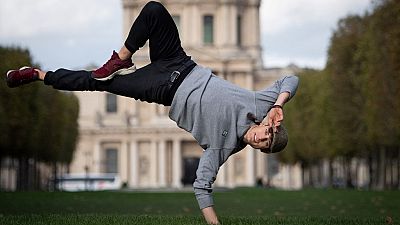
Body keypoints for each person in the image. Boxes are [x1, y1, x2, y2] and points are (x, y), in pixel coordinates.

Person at [6, 1, 299, 224]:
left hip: (161, 87)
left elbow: (202, 186)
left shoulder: (222, 147)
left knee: (95, 81)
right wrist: (278, 104)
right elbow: (290, 79)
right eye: (267, 134)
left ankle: (37, 74)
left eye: (263, 144)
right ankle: (121, 57)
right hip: (181, 63)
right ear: (268, 125)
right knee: (155, 9)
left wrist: (214, 223)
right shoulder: (262, 105)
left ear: (259, 149)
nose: (261, 138)